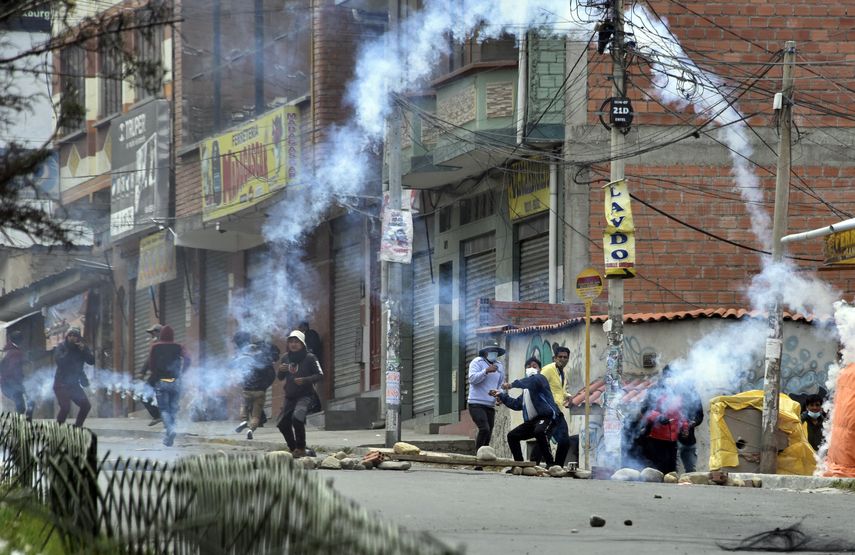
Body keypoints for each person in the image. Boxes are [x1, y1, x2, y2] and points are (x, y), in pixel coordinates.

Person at [492, 366, 565, 467]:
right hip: (533, 422)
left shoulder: (540, 379)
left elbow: (532, 381)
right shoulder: (526, 392)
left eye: (534, 366)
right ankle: (520, 465)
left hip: (547, 417)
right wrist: (501, 395)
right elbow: (516, 404)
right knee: (512, 436)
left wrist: (511, 385)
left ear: (539, 369)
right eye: (528, 366)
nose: (531, 368)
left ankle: (550, 464)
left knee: (540, 432)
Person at [277, 330, 323, 458]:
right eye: (291, 342)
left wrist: (305, 380)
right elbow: (280, 377)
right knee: (282, 424)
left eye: (296, 342)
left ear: (302, 343)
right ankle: (294, 448)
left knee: (297, 418)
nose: (293, 344)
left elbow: (320, 375)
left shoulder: (310, 357)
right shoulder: (285, 357)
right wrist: (280, 370)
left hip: (305, 395)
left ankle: (301, 448)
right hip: (290, 396)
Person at [146, 325, 191, 447]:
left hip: (162, 381)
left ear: (161, 335)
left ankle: (170, 430)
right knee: (173, 409)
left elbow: (151, 364)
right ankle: (169, 437)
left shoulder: (155, 347)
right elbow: (188, 359)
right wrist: (182, 372)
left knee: (164, 409)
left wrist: (156, 375)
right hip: (175, 382)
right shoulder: (179, 346)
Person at [638, 366, 685, 474]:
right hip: (656, 438)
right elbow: (645, 409)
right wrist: (658, 417)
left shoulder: (678, 391)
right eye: (670, 377)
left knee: (671, 470)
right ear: (665, 377)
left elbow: (681, 412)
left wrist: (685, 425)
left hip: (673, 440)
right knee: (658, 470)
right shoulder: (655, 390)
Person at [232, 332, 275, 440]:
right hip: (260, 391)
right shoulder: (263, 359)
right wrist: (265, 386)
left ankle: (243, 421)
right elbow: (271, 374)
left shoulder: (243, 357)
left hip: (247, 389)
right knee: (256, 415)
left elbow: (234, 367)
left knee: (244, 406)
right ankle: (251, 429)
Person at [467, 341, 506, 456]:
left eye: (495, 351)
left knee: (488, 433)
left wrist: (500, 395)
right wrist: (486, 371)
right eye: (491, 351)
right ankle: (478, 456)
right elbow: (472, 379)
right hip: (476, 403)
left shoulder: (499, 366)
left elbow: (500, 384)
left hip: (490, 405)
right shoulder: (477, 362)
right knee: (484, 429)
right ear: (485, 352)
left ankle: (484, 456)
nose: (493, 353)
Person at [537, 346, 573, 466]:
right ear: (555, 358)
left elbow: (558, 390)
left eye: (565, 357)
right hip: (548, 409)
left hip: (556, 410)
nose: (562, 359)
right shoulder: (548, 369)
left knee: (564, 441)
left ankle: (557, 466)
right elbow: (538, 385)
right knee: (545, 438)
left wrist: (567, 396)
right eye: (560, 357)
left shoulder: (562, 372)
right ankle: (534, 463)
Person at [53, 327, 94, 427]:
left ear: (78, 338)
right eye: (70, 335)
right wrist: (70, 350)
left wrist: (84, 350)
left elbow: (91, 361)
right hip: (61, 384)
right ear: (67, 336)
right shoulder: (61, 347)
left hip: (74, 385)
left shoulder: (81, 348)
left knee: (86, 406)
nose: (72, 337)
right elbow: (60, 361)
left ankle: (77, 427)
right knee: (65, 408)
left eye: (75, 336)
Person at [0, 330, 33, 420]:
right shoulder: (15, 353)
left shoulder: (6, 351)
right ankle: (23, 424)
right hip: (13, 383)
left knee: (21, 405)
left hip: (6, 383)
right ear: (20, 340)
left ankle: (20, 423)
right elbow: (13, 369)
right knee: (26, 403)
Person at [677, 380, 704, 472]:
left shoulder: (695, 396)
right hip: (673, 439)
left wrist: (694, 423)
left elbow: (700, 415)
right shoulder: (674, 394)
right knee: (671, 472)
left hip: (689, 439)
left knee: (691, 470)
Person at [140, 324, 163, 426]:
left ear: (159, 333)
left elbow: (150, 359)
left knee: (144, 395)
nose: (152, 335)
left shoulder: (158, 345)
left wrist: (142, 372)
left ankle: (157, 416)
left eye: (153, 333)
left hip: (158, 375)